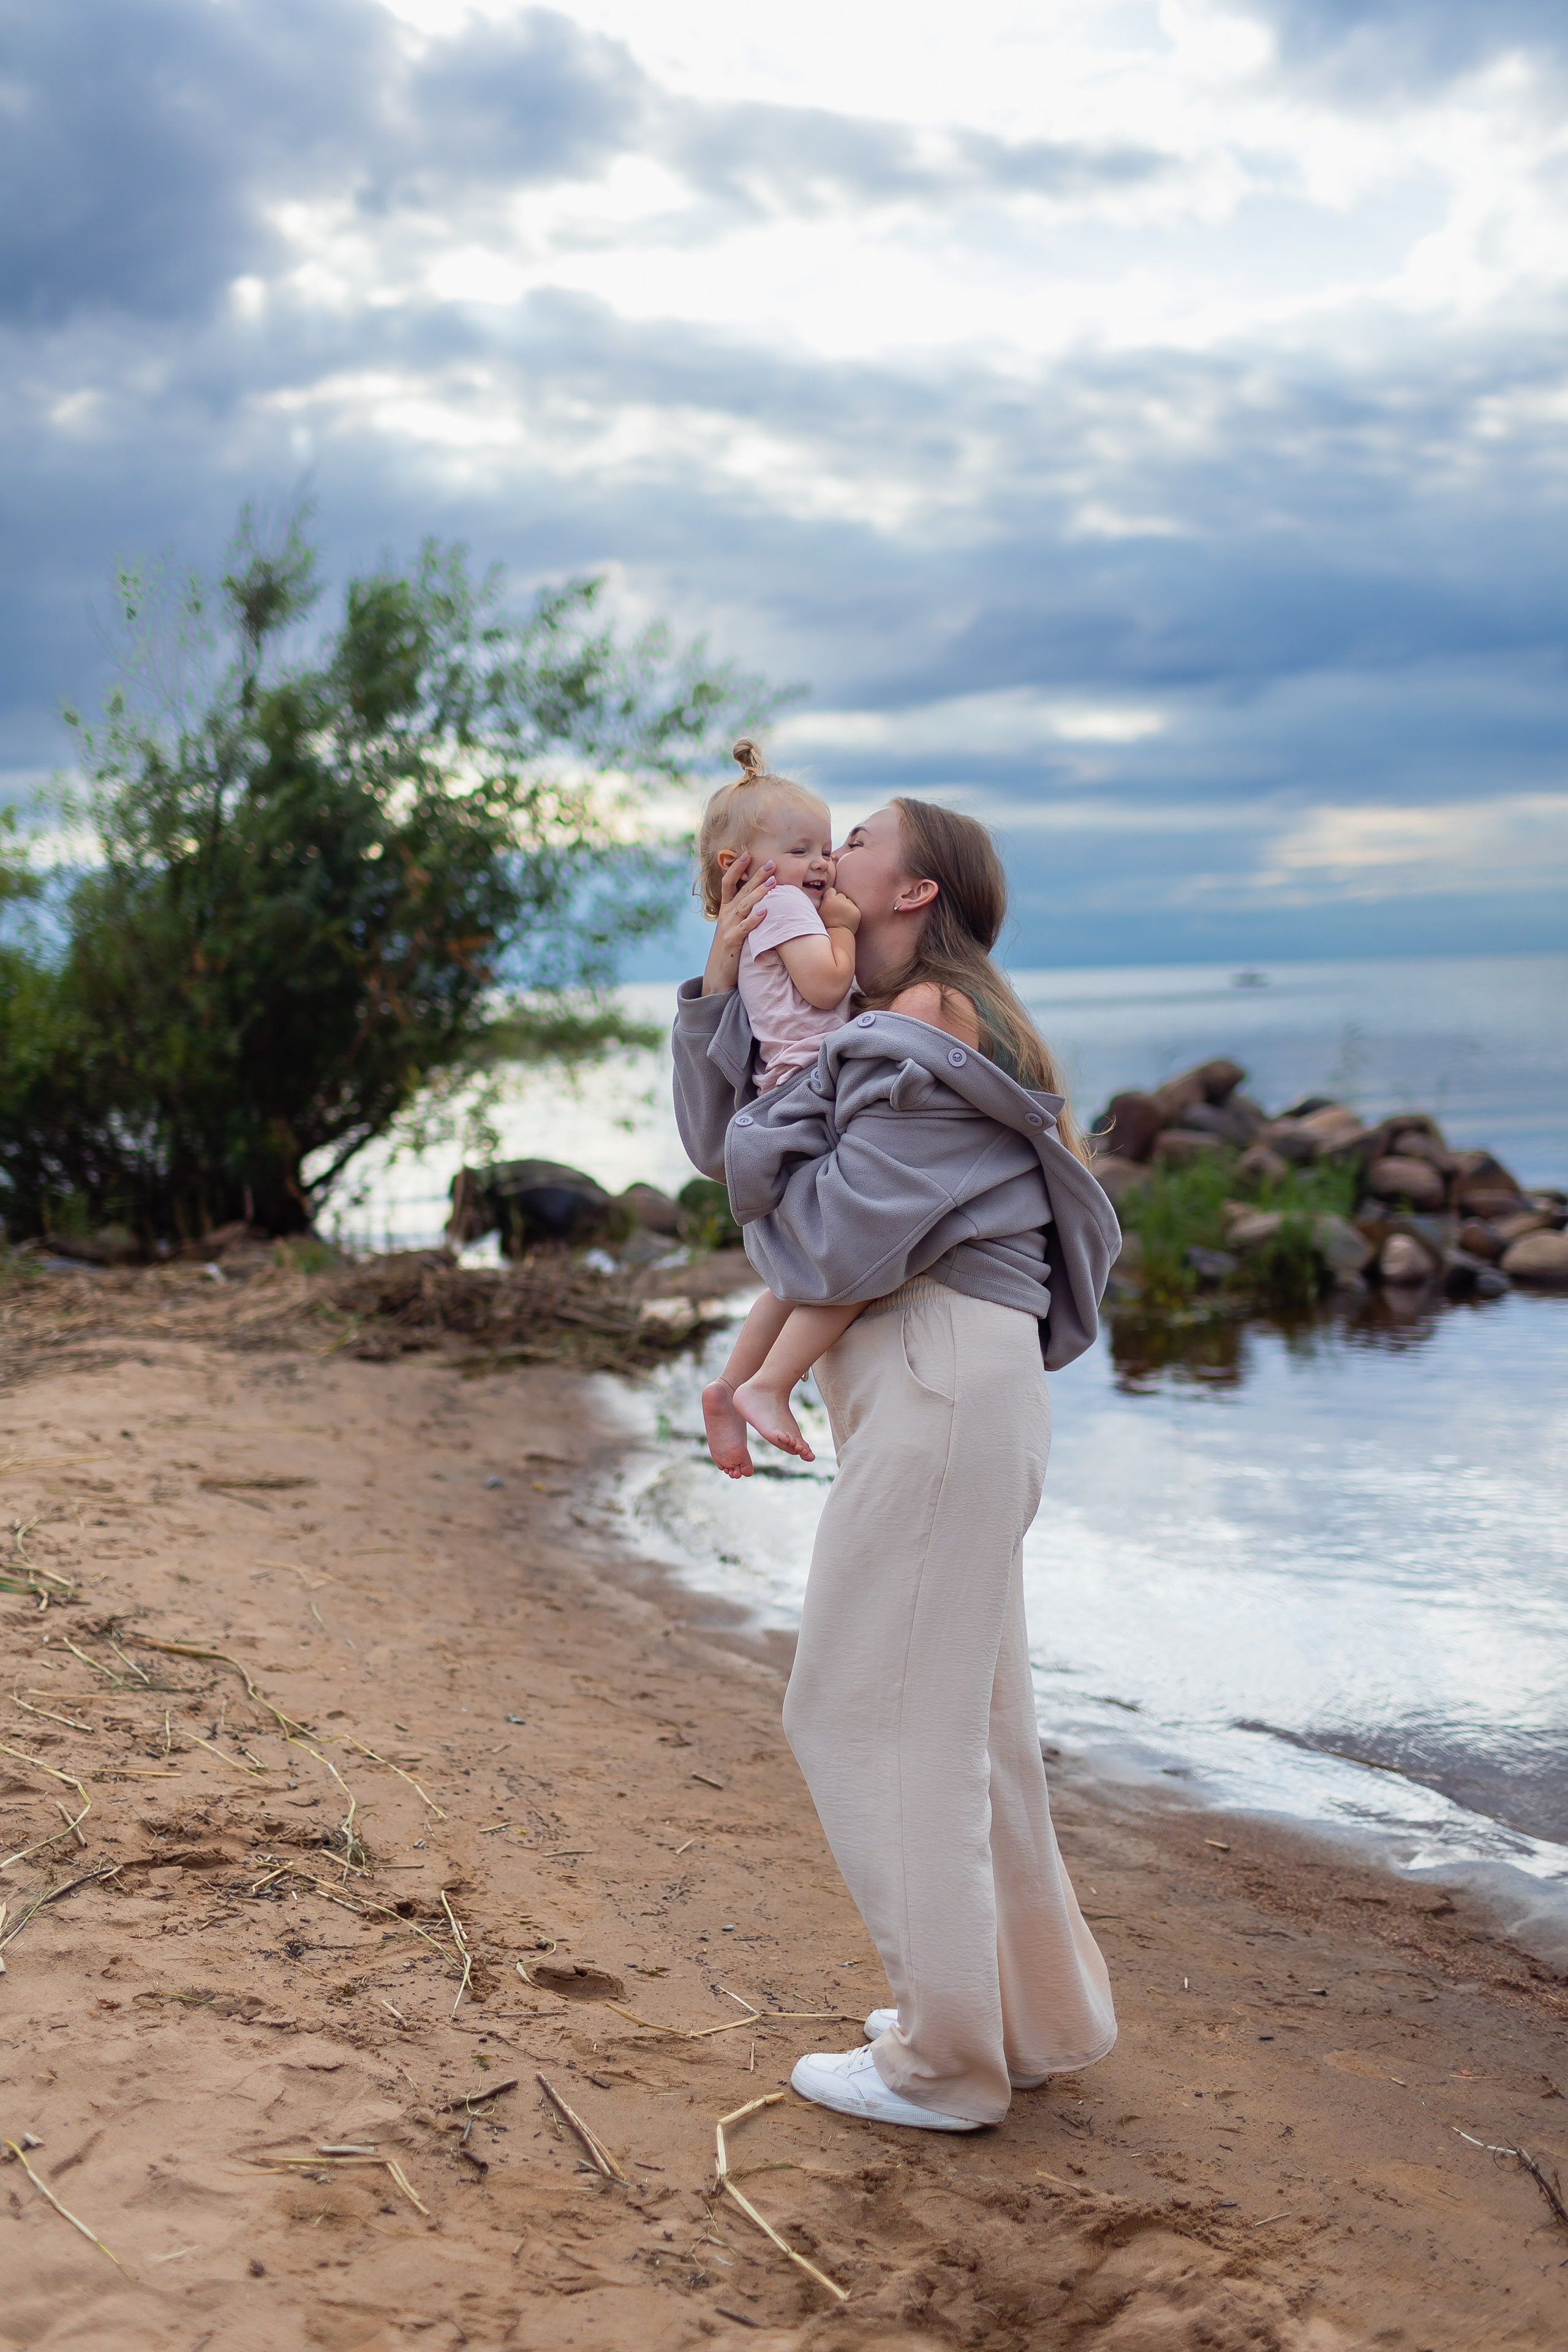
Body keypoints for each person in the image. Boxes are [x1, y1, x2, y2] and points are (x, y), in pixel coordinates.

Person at [671, 794, 1121, 2132]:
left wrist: (763, 1357)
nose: (828, 858)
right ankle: (1030, 2023)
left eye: (856, 841)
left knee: (861, 1713)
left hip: (936, 1381)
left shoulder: (925, 1025)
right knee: (967, 1728)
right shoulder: (877, 1026)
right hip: (931, 1387)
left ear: (915, 894)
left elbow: (824, 1235)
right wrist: (723, 974)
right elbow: (732, 1155)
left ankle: (939, 2064)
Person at [695, 739, 868, 1476]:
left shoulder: (774, 905)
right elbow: (828, 989)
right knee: (860, 1256)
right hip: (808, 1092)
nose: (822, 864)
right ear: (740, 863)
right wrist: (848, 929)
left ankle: (732, 1389)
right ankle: (769, 1385)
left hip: (785, 1093)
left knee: (793, 1271)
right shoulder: (789, 907)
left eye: (825, 848)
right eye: (801, 849)